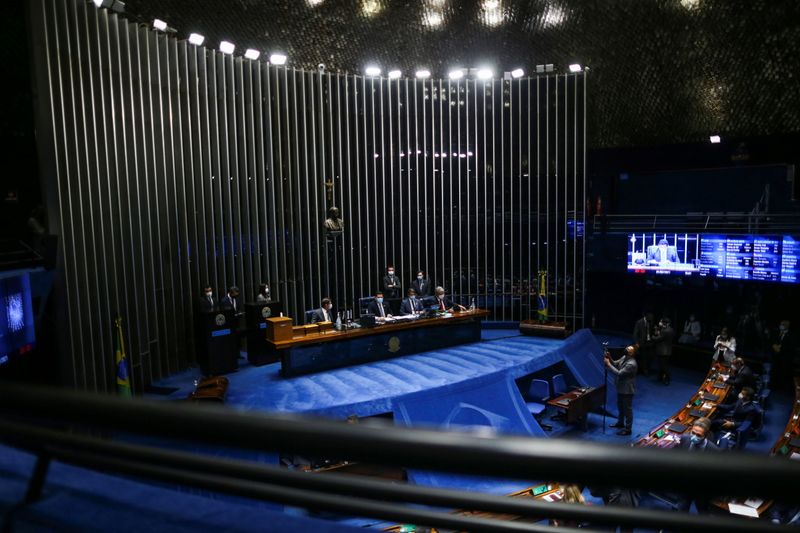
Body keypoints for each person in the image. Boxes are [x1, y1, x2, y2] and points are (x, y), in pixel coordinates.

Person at [671, 417, 719, 515]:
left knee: (702, 511)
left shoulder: (713, 450)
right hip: (684, 485)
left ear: (705, 435)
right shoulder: (684, 439)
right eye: (693, 433)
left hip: (701, 488)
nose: (694, 437)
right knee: (682, 509)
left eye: (698, 435)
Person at [605, 345, 638, 436]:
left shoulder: (631, 364)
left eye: (628, 350)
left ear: (631, 354)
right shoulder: (624, 357)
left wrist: (608, 364)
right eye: (627, 349)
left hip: (627, 390)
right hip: (620, 387)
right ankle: (620, 423)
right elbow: (616, 363)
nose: (626, 350)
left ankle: (628, 429)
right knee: (620, 407)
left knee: (627, 410)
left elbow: (619, 373)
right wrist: (610, 357)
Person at [772, 320, 799, 387]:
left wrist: (781, 348)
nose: (781, 326)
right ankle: (775, 384)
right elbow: (774, 341)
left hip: (785, 357)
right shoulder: (778, 332)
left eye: (783, 324)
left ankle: (783, 386)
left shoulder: (791, 335)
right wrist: (774, 345)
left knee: (784, 372)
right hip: (776, 356)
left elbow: (791, 347)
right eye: (781, 324)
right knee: (775, 370)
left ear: (787, 326)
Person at [652, 317, 674, 385]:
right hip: (668, 351)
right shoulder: (671, 329)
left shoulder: (665, 331)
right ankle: (660, 378)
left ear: (665, 323)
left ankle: (667, 378)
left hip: (663, 351)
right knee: (663, 365)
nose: (660, 323)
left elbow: (657, 339)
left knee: (663, 366)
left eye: (661, 322)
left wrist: (652, 336)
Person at [633, 311, 654, 375]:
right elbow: (635, 334)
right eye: (650, 317)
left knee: (650, 356)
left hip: (649, 343)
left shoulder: (651, 322)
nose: (651, 318)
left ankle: (646, 368)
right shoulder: (639, 322)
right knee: (643, 357)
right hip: (642, 343)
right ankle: (644, 370)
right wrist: (636, 343)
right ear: (646, 316)